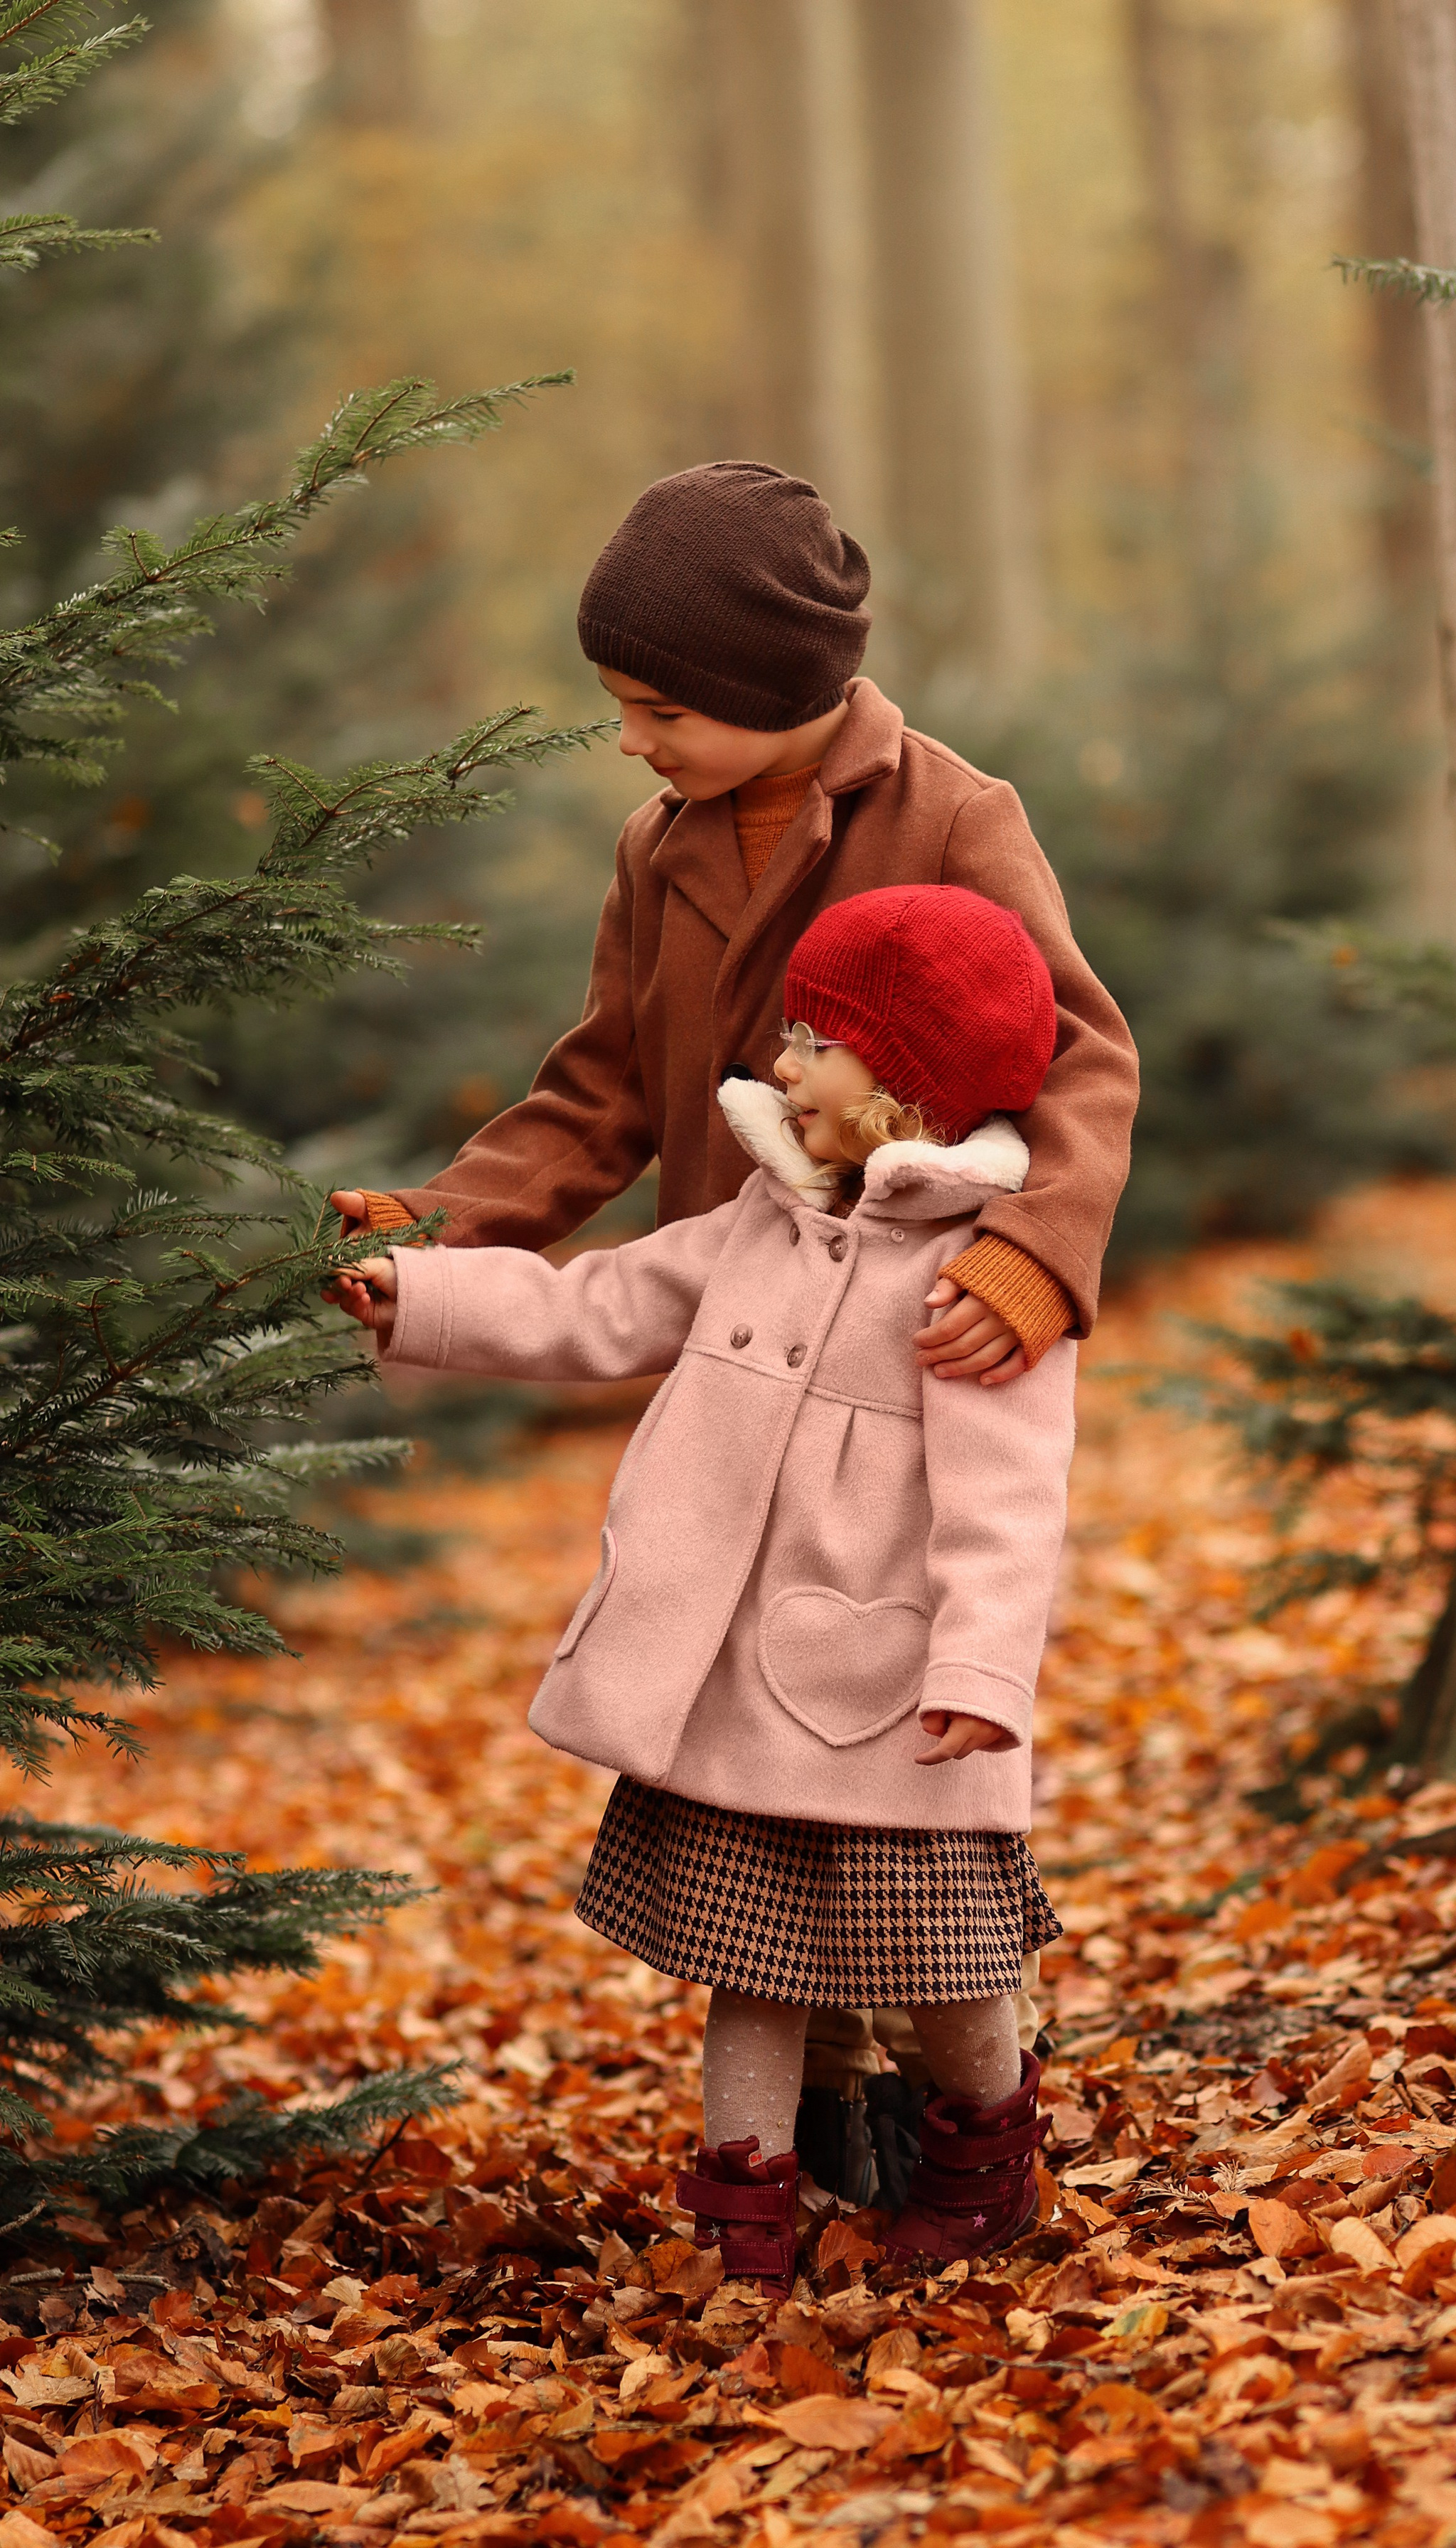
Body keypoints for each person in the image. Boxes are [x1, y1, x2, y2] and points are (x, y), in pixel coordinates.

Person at [328, 458, 1138, 2183]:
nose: (630, 740)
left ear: (782, 696)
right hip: (743, 1327)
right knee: (752, 1726)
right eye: (619, 705)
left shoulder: (953, 817)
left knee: (859, 1699)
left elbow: (1081, 1057)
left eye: (658, 707)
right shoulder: (661, 842)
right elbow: (606, 1084)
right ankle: (822, 2106)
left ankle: (926, 2110)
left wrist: (1033, 1260)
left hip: (917, 1338)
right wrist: (447, 1228)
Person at [332, 886, 1075, 2294]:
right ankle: (744, 2211)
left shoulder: (983, 1277)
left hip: (890, 1689)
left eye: (814, 1044)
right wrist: (415, 1293)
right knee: (755, 1956)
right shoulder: (762, 1219)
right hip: (734, 1685)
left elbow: (1008, 1501)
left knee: (944, 1954)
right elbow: (594, 1301)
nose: (778, 1067)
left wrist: (981, 1671)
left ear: (903, 1085)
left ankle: (983, 2157)